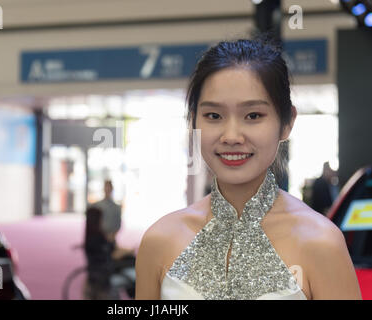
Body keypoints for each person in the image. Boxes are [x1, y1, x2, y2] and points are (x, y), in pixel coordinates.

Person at [135, 37, 362, 300]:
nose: (231, 136)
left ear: (287, 122)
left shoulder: (322, 242)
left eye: (253, 115)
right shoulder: (159, 240)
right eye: (214, 116)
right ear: (193, 121)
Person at [84, 206, 136, 299]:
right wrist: (128, 252)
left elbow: (112, 249)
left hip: (102, 270)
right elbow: (113, 254)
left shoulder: (92, 236)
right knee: (135, 273)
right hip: (106, 273)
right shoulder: (97, 238)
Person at [92, 180, 122, 246]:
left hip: (111, 238)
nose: (107, 189)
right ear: (103, 188)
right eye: (106, 187)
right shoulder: (96, 206)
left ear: (112, 189)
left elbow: (118, 224)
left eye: (109, 187)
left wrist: (112, 235)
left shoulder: (117, 207)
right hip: (98, 238)